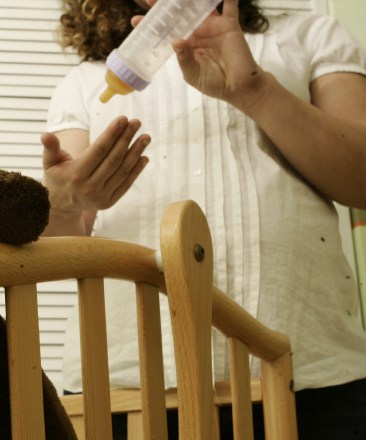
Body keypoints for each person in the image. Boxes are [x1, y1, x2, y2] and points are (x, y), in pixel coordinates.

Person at [41, 0, 366, 438]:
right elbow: (64, 248)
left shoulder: (311, 36)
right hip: (127, 386)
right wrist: (64, 204)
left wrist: (255, 90)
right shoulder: (83, 83)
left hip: (311, 373)